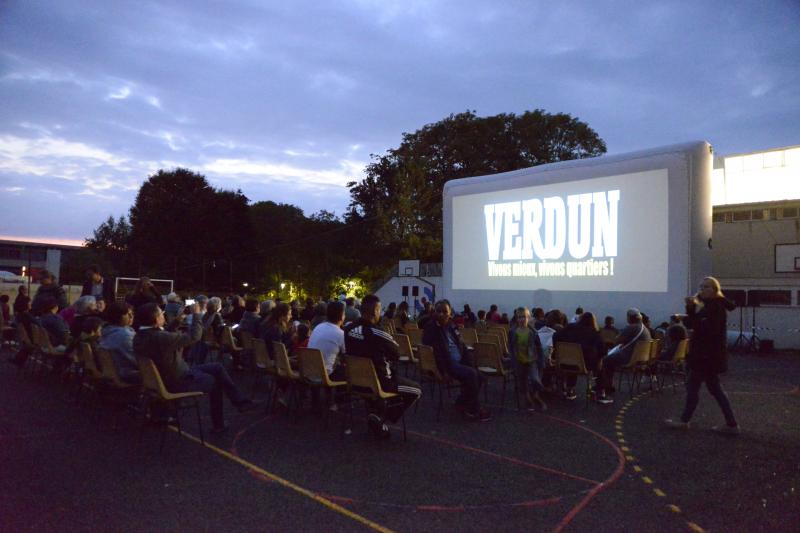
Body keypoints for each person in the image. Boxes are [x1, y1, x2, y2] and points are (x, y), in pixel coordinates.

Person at [132, 302, 252, 433]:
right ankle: (219, 424)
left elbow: (162, 335)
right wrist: (196, 315)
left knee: (217, 367)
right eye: (161, 314)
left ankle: (240, 402)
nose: (163, 315)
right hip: (179, 380)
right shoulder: (161, 338)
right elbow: (194, 337)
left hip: (165, 377)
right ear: (156, 319)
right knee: (216, 381)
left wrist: (177, 321)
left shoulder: (140, 336)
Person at [665, 277, 740, 434]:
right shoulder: (711, 306)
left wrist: (691, 311)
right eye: (701, 286)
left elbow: (701, 328)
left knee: (694, 387)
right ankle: (731, 424)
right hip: (708, 356)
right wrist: (692, 309)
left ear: (714, 290)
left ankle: (684, 421)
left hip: (705, 356)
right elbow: (695, 324)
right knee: (715, 390)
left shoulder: (715, 308)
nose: (702, 289)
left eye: (706, 287)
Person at [344, 294, 422, 438]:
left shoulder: (348, 330)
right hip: (381, 383)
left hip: (355, 381)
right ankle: (381, 418)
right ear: (375, 311)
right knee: (416, 390)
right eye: (379, 310)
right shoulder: (379, 333)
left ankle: (377, 410)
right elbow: (396, 354)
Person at [422, 299, 490, 421]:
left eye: (444, 311)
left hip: (459, 362)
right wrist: (443, 372)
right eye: (438, 311)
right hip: (447, 365)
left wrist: (470, 364)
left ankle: (461, 402)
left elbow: (461, 345)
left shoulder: (452, 326)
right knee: (472, 375)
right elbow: (434, 354)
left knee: (479, 376)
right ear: (434, 312)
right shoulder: (431, 328)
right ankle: (474, 409)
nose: (441, 314)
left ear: (450, 313)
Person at [598, 308, 651, 404]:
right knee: (610, 360)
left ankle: (604, 387)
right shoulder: (645, 329)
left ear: (630, 317)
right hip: (640, 358)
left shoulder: (632, 327)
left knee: (605, 360)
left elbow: (617, 340)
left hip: (629, 358)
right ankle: (608, 384)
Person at [553, 312, 606, 400]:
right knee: (600, 365)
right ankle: (601, 391)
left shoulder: (569, 328)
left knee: (573, 357)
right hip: (584, 365)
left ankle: (570, 389)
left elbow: (555, 336)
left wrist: (558, 349)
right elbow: (602, 350)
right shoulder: (594, 333)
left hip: (565, 362)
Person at [508, 307, 547, 411]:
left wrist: (541, 361)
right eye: (520, 317)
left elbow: (539, 348)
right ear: (517, 318)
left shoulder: (533, 332)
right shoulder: (513, 332)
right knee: (523, 382)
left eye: (524, 317)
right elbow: (511, 346)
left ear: (528, 318)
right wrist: (512, 359)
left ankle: (536, 395)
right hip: (519, 360)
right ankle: (528, 400)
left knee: (535, 379)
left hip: (531, 360)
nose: (522, 319)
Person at [99, 302, 139, 383]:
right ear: (116, 316)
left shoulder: (106, 331)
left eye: (132, 314)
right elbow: (138, 361)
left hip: (114, 372)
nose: (131, 317)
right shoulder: (125, 335)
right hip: (126, 374)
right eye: (128, 314)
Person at [308, 301, 346, 377]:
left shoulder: (318, 327)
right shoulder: (340, 334)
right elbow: (346, 356)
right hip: (325, 374)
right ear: (342, 316)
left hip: (309, 370)